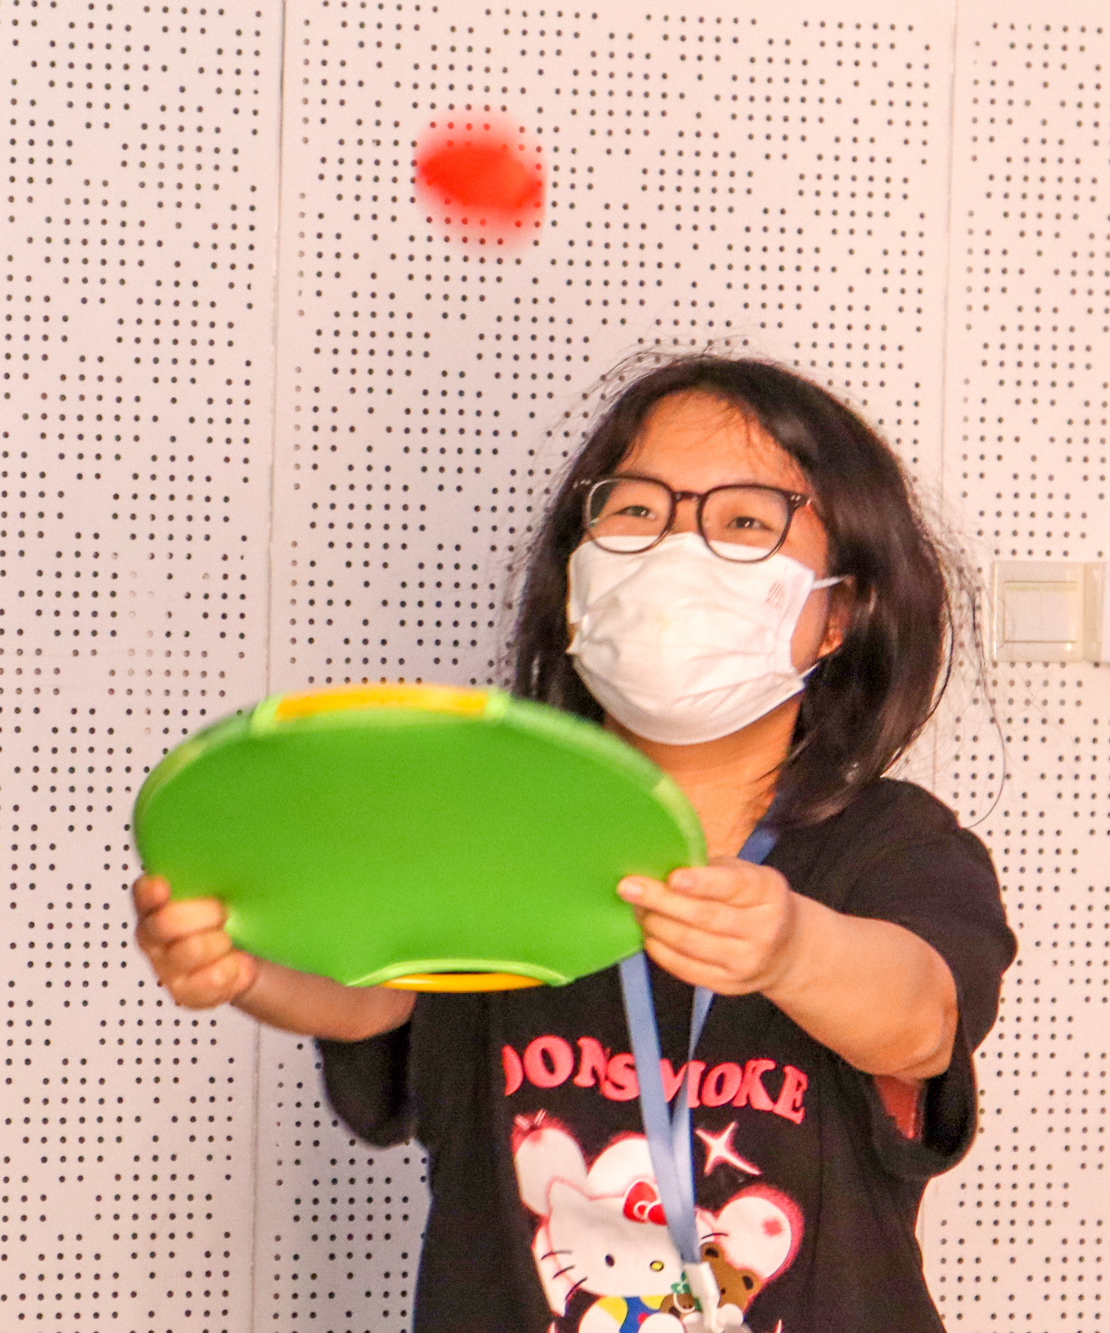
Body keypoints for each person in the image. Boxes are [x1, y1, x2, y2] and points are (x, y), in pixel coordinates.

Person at [132, 356, 1016, 1333]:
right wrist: (244, 965)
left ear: (841, 611)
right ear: (576, 578)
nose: (675, 550)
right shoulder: (485, 823)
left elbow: (919, 1019)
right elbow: (378, 993)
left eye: (743, 522)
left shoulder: (892, 843)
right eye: (635, 510)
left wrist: (790, 949)